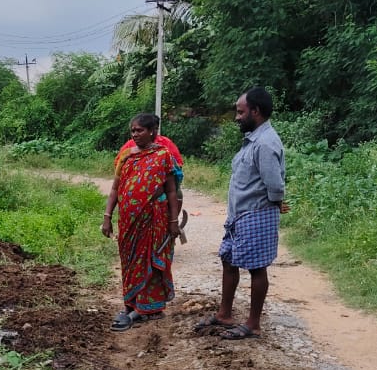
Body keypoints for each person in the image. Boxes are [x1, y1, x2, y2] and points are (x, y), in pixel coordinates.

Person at [196, 86, 288, 340]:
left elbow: (275, 184)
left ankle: (253, 324)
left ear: (255, 112)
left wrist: (276, 203)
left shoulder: (266, 144)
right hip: (240, 215)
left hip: (256, 214)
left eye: (240, 112)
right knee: (228, 258)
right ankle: (225, 314)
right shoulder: (253, 140)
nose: (237, 117)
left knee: (257, 269)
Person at [102, 113, 183, 331]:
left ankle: (146, 308)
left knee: (149, 260)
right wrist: (107, 217)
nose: (135, 134)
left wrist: (174, 221)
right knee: (129, 261)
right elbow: (115, 188)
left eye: (139, 130)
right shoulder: (127, 156)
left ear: (152, 131)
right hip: (128, 221)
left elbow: (172, 191)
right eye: (133, 131)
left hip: (154, 219)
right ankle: (130, 304)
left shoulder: (163, 156)